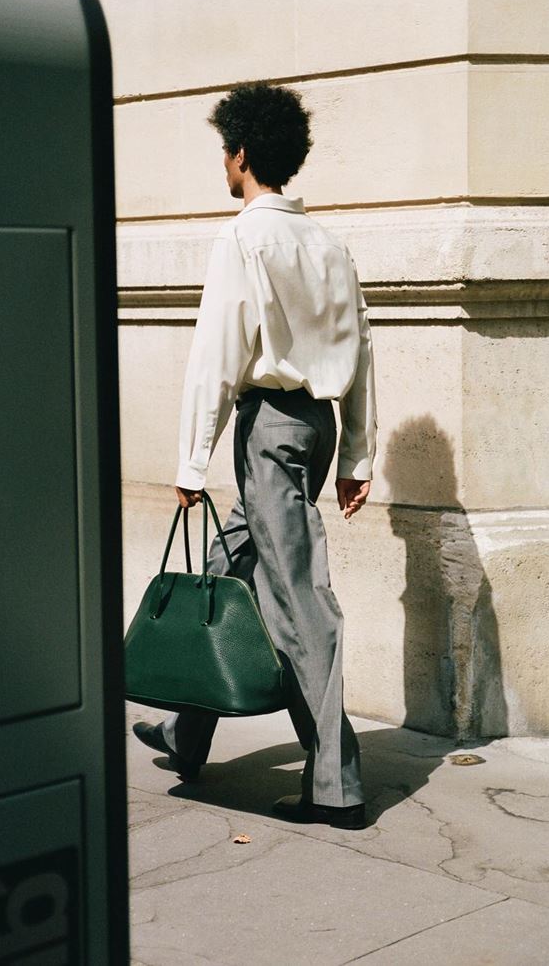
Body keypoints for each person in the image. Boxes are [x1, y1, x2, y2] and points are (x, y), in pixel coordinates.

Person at [134, 82, 377, 830]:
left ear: (241, 154)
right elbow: (361, 349)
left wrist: (189, 459)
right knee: (223, 567)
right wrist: (356, 455)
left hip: (268, 428)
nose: (224, 161)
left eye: (224, 150)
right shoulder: (328, 244)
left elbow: (217, 355)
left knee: (304, 605)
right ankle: (188, 729)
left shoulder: (243, 238)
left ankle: (335, 785)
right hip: (315, 423)